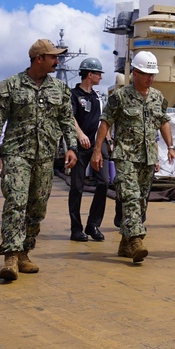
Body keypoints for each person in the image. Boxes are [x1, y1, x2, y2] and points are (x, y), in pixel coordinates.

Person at [0, 39, 78, 282]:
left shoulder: (59, 89)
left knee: (37, 207)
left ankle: (25, 251)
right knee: (16, 202)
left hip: (46, 156)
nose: (57, 61)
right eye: (53, 57)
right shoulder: (10, 86)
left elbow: (66, 120)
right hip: (17, 154)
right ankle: (11, 257)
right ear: (39, 59)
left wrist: (72, 148)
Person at [91, 51, 175, 263]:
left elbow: (163, 122)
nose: (150, 78)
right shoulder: (120, 97)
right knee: (129, 197)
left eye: (152, 74)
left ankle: (124, 244)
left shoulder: (157, 98)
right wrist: (97, 151)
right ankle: (137, 240)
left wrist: (171, 146)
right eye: (146, 74)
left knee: (140, 201)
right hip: (125, 156)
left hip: (147, 158)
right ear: (135, 73)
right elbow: (106, 122)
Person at [68, 57, 108, 242]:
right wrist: (80, 134)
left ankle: (93, 224)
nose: (101, 77)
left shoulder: (98, 96)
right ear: (89, 74)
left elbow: (103, 119)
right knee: (77, 187)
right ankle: (76, 228)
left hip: (97, 146)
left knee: (104, 182)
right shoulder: (74, 95)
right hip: (79, 146)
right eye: (98, 73)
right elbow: (70, 117)